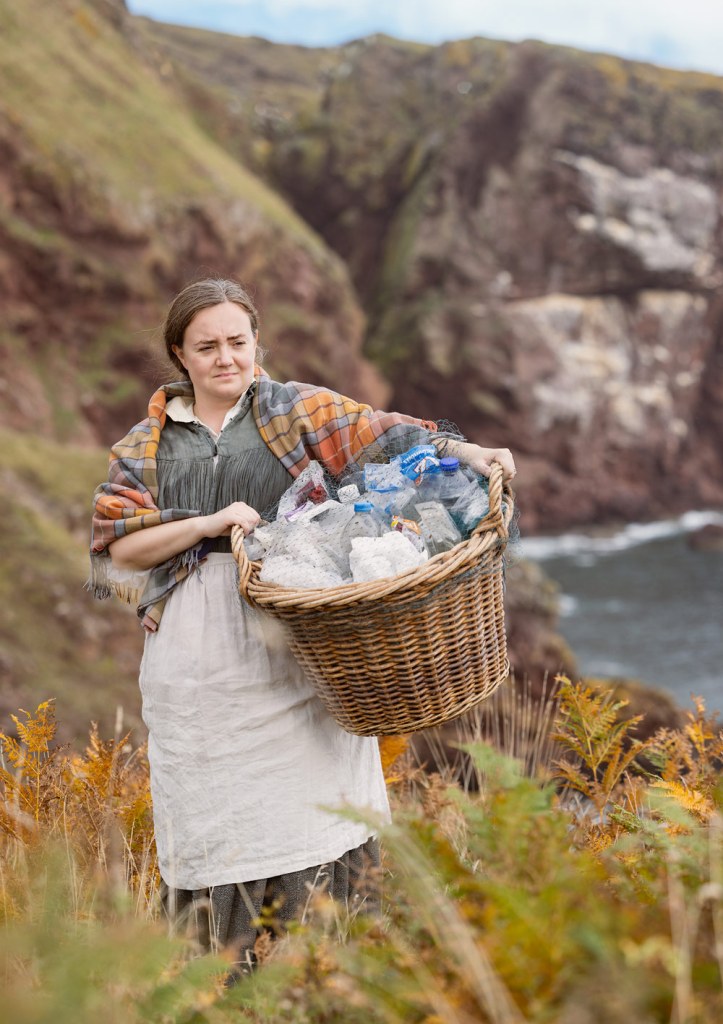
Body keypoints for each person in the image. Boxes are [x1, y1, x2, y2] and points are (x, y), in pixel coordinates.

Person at [90, 277, 516, 975]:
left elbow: (392, 439)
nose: (226, 357)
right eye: (207, 346)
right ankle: (222, 990)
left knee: (318, 815)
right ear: (179, 355)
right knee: (211, 823)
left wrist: (472, 455)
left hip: (297, 643)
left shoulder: (297, 411)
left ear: (256, 342)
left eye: (237, 341)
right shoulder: (144, 447)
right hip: (195, 665)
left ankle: (326, 981)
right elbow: (118, 549)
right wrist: (209, 522)